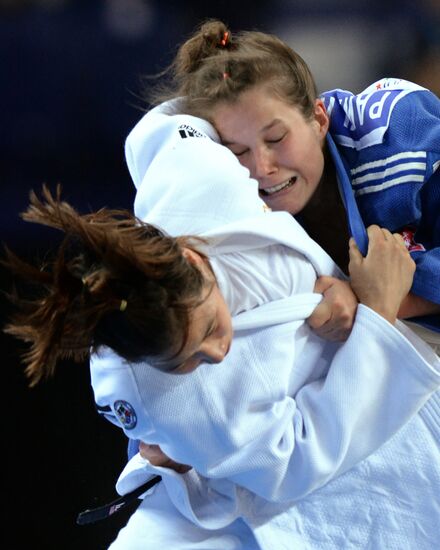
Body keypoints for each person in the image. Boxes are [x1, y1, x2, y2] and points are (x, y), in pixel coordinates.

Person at [94, 107, 438, 548]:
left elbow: (160, 129)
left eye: (209, 328)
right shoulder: (171, 396)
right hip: (276, 475)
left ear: (192, 257)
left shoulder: (195, 181)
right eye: (189, 359)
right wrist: (377, 314)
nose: (217, 352)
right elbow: (302, 455)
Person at [149, 19, 440, 348]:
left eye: (276, 138)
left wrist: (376, 304)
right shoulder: (220, 203)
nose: (262, 167)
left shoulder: (401, 135)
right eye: (238, 151)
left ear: (318, 118)